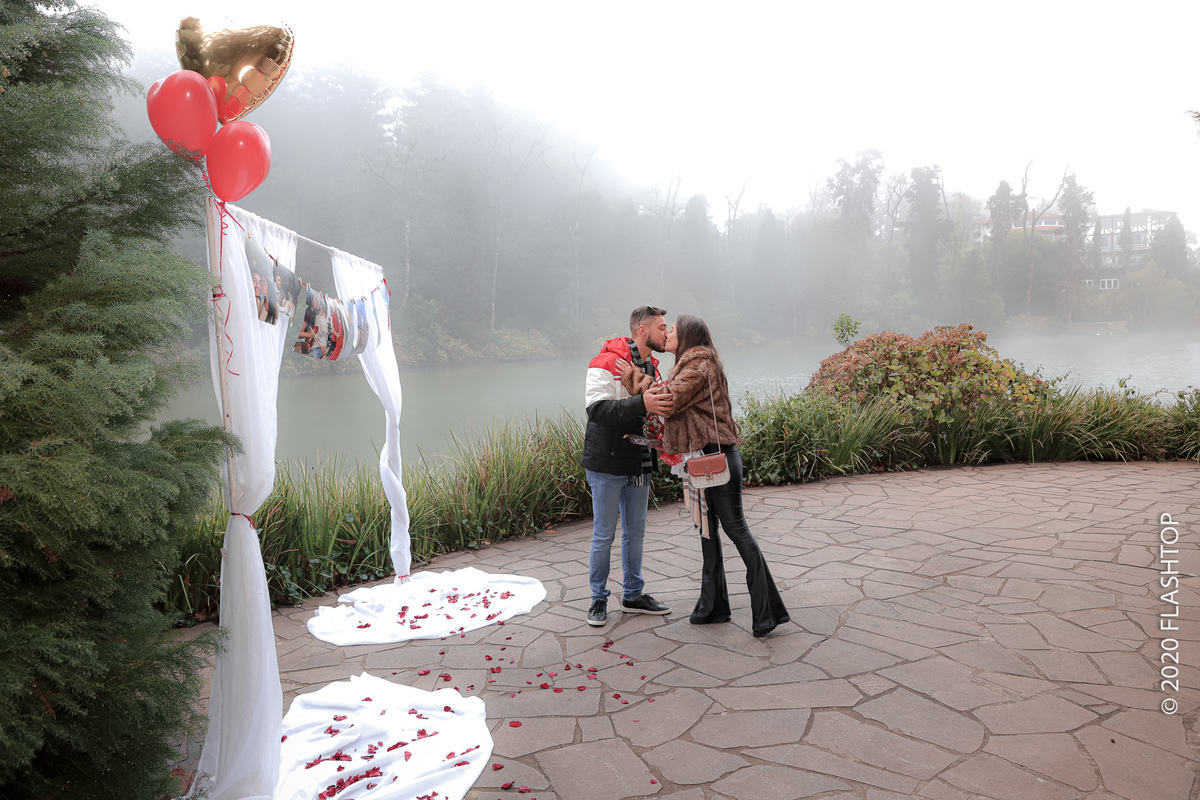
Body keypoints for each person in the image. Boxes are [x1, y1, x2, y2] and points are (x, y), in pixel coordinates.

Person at [620, 314, 789, 638]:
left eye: (672, 330)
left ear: (686, 337)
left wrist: (632, 377)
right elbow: (669, 396)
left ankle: (769, 612)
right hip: (703, 458)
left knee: (737, 531)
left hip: (717, 459)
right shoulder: (689, 364)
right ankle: (713, 606)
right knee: (708, 532)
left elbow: (668, 401)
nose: (667, 333)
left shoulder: (700, 366)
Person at [580, 306, 676, 626]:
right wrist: (642, 402)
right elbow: (596, 411)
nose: (667, 333)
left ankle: (633, 595)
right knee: (604, 534)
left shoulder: (652, 366)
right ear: (643, 330)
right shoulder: (606, 361)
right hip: (607, 463)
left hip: (640, 461)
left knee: (635, 532)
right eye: (662, 328)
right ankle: (597, 599)